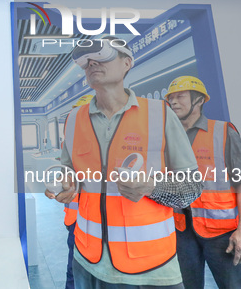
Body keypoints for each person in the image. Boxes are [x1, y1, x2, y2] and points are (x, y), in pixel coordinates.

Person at [48, 37, 202, 288]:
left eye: (103, 56)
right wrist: (67, 183)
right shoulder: (75, 119)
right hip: (87, 259)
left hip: (151, 266)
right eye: (86, 61)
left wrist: (152, 188)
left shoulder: (160, 115)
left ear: (127, 63)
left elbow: (192, 188)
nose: (91, 64)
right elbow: (70, 171)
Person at [165, 76, 241, 289]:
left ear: (199, 101)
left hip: (222, 234)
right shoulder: (167, 138)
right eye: (171, 98)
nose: (174, 102)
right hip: (181, 231)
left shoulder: (224, 132)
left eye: (180, 96)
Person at [45, 94, 94, 289]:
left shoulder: (108, 150)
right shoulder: (73, 148)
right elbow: (68, 176)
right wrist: (54, 187)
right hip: (76, 223)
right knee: (74, 272)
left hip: (100, 224)